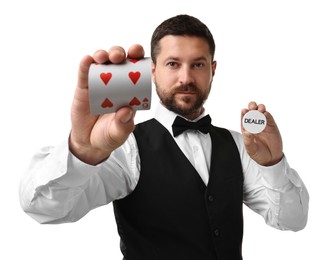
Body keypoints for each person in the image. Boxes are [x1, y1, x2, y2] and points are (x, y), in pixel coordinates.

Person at [19, 14, 309, 260]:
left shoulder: (240, 144)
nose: (185, 77)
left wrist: (273, 164)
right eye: (173, 64)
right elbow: (43, 208)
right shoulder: (125, 147)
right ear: (153, 71)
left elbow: (292, 220)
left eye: (198, 64)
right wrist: (82, 150)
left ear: (213, 70)